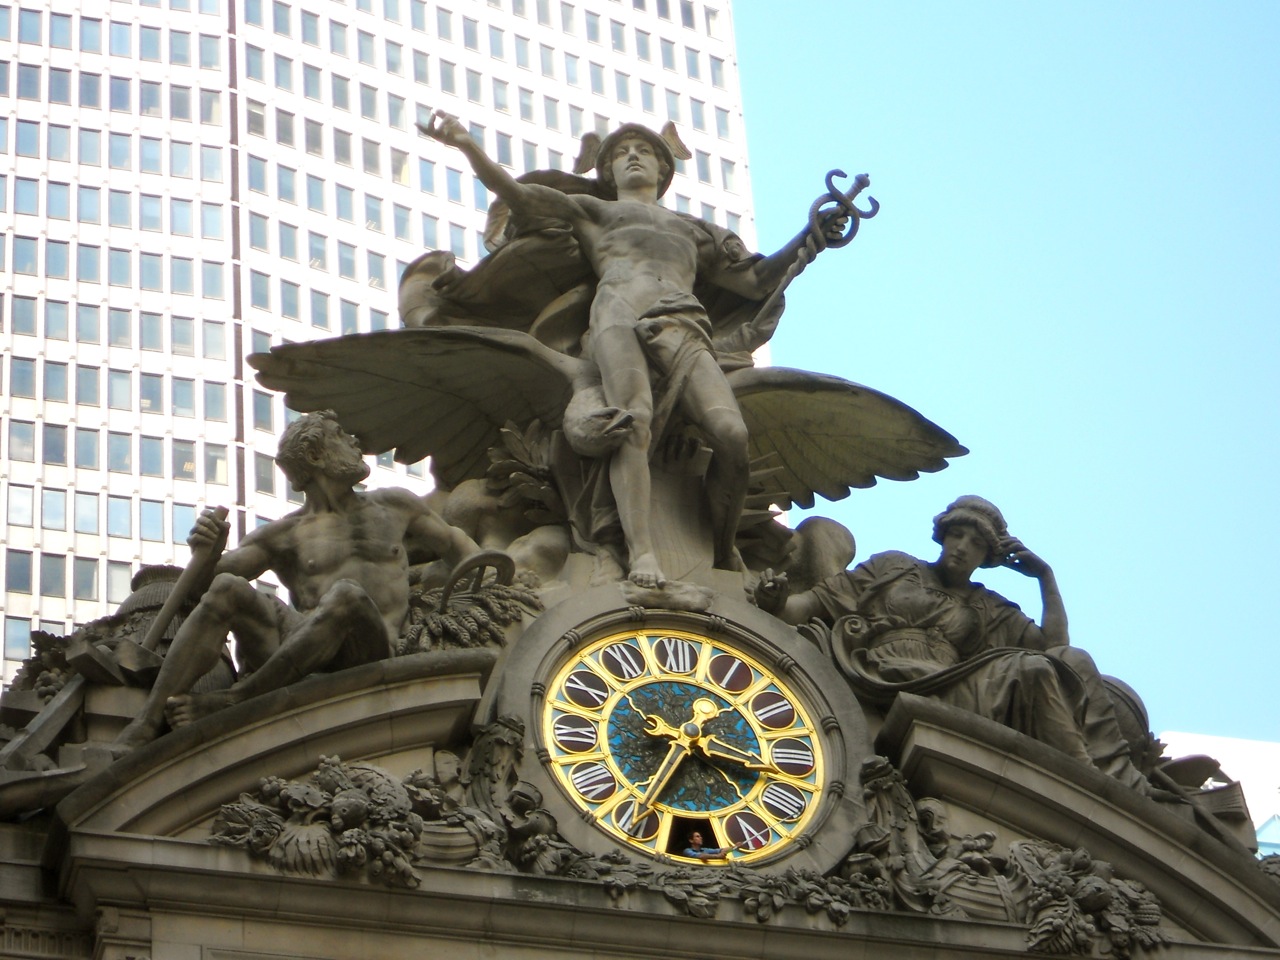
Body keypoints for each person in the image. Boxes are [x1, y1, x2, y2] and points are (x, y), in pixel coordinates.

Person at [421, 111, 841, 589]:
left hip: (683, 322)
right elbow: (518, 195)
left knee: (731, 433)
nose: (634, 156)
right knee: (632, 421)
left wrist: (810, 239)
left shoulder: (695, 231)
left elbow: (754, 279)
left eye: (644, 151)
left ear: (664, 171)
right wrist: (466, 144)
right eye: (622, 153)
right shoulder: (593, 211)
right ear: (608, 171)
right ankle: (642, 554)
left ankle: (723, 549)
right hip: (617, 316)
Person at [113, 411, 480, 753]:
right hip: (302, 647)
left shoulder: (396, 505)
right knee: (227, 588)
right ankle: (147, 722)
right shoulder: (283, 534)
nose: (355, 441)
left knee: (347, 596)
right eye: (340, 435)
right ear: (315, 455)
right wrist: (208, 553)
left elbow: (456, 545)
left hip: (370, 649)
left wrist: (491, 576)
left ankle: (236, 701)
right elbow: (201, 589)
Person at [755, 496, 1152, 791]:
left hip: (951, 685)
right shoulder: (893, 566)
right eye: (957, 535)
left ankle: (1088, 778)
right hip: (877, 670)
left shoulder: (990, 606)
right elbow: (811, 605)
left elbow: (1056, 649)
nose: (962, 547)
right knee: (1036, 667)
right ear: (942, 535)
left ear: (988, 556)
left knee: (1038, 668)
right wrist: (776, 602)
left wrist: (1045, 578)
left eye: (976, 544)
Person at [682, 830, 748, 861]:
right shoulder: (687, 851)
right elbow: (701, 856)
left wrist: (734, 847)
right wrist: (718, 856)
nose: (700, 838)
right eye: (697, 836)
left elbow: (720, 850)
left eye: (700, 836)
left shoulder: (705, 850)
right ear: (691, 840)